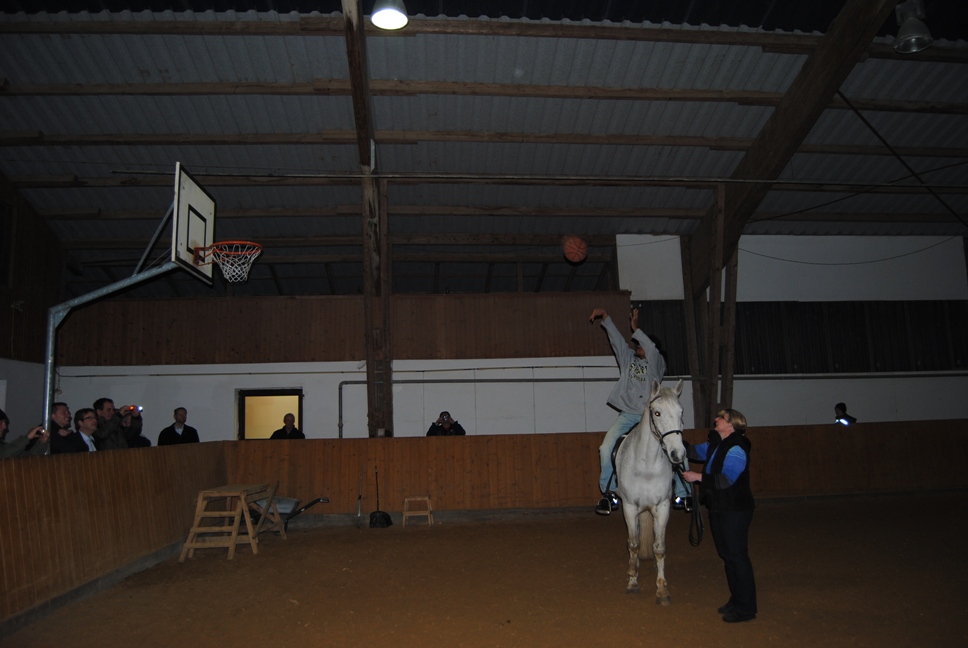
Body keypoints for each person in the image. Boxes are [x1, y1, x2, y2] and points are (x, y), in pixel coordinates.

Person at [589, 306, 670, 516]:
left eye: (641, 345)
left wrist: (636, 329)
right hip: (627, 416)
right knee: (606, 448)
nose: (637, 347)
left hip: (649, 416)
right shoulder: (628, 361)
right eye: (637, 345)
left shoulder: (657, 363)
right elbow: (617, 341)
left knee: (673, 444)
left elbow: (651, 349)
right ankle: (610, 492)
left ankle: (683, 491)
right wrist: (606, 318)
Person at [682, 408, 757, 624]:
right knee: (728, 556)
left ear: (731, 425)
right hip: (720, 508)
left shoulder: (736, 448)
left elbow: (726, 480)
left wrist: (698, 477)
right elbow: (694, 452)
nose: (715, 419)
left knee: (737, 557)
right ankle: (737, 600)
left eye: (721, 418)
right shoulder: (717, 444)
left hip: (735, 510)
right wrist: (674, 435)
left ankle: (746, 608)